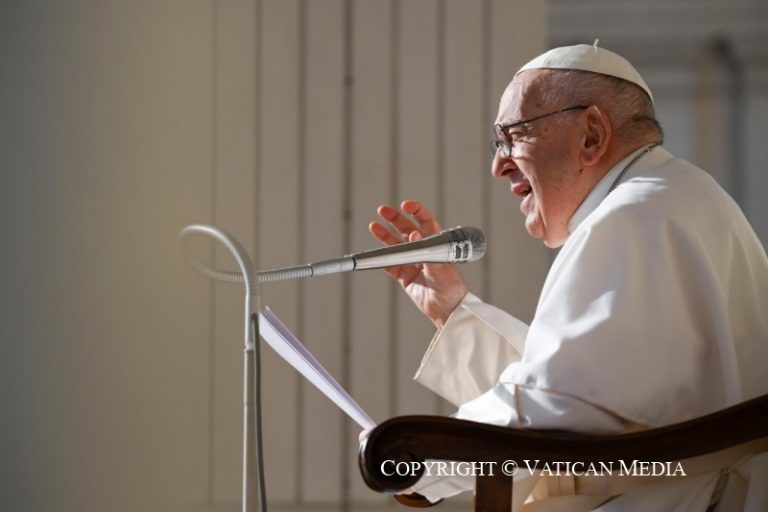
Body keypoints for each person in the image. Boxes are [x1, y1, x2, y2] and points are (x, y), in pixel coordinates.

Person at [366, 43, 768, 511]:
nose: (498, 165)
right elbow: (582, 390)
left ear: (592, 135)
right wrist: (454, 310)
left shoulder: (630, 217)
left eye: (513, 136)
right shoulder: (674, 194)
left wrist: (414, 457)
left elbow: (558, 413)